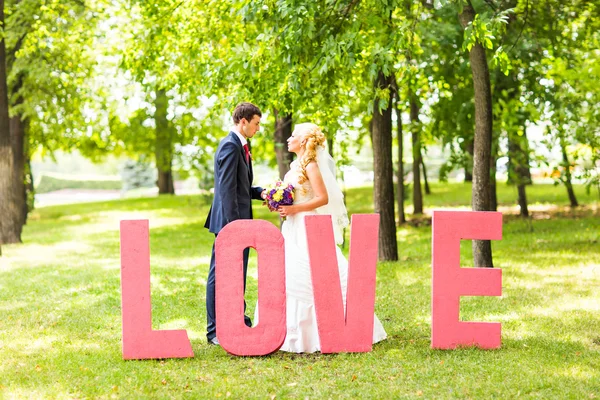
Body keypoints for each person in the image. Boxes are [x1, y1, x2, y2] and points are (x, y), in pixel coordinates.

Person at [269, 122, 387, 353]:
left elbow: (323, 198)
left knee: (319, 273)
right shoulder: (294, 166)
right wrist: (279, 201)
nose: (288, 139)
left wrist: (294, 210)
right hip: (293, 226)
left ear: (303, 141)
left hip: (308, 225)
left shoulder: (310, 166)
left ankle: (347, 325)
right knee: (291, 274)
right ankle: (294, 334)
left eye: (293, 136)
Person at [204, 102, 266, 345]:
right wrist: (233, 230)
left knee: (235, 274)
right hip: (231, 225)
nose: (258, 128)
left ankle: (235, 320)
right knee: (219, 275)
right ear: (243, 122)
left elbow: (239, 188)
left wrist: (260, 192)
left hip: (238, 223)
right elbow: (227, 191)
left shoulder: (240, 146)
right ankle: (215, 331)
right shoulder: (230, 147)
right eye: (256, 123)